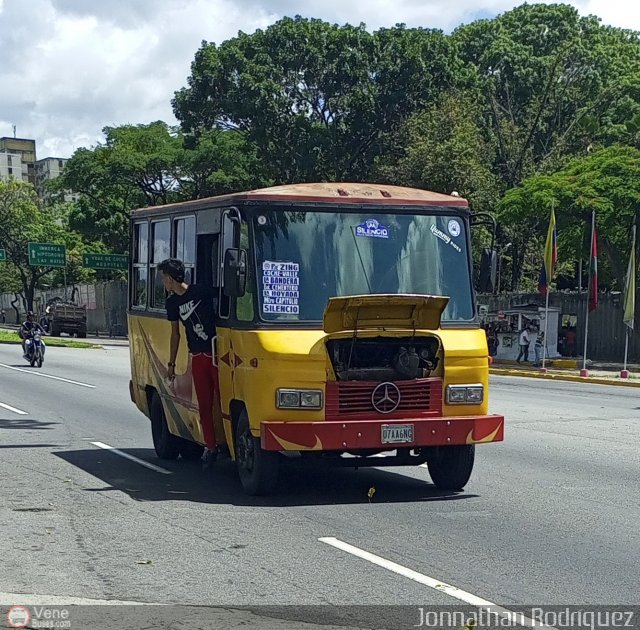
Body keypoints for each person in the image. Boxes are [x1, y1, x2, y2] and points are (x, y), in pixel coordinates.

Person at [158, 258, 220, 470]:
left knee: (223, 401)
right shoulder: (172, 303)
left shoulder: (201, 291)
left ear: (170, 278)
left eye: (163, 278)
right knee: (204, 406)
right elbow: (175, 334)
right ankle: (211, 447)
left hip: (217, 355)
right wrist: (171, 364)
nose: (163, 282)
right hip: (197, 356)